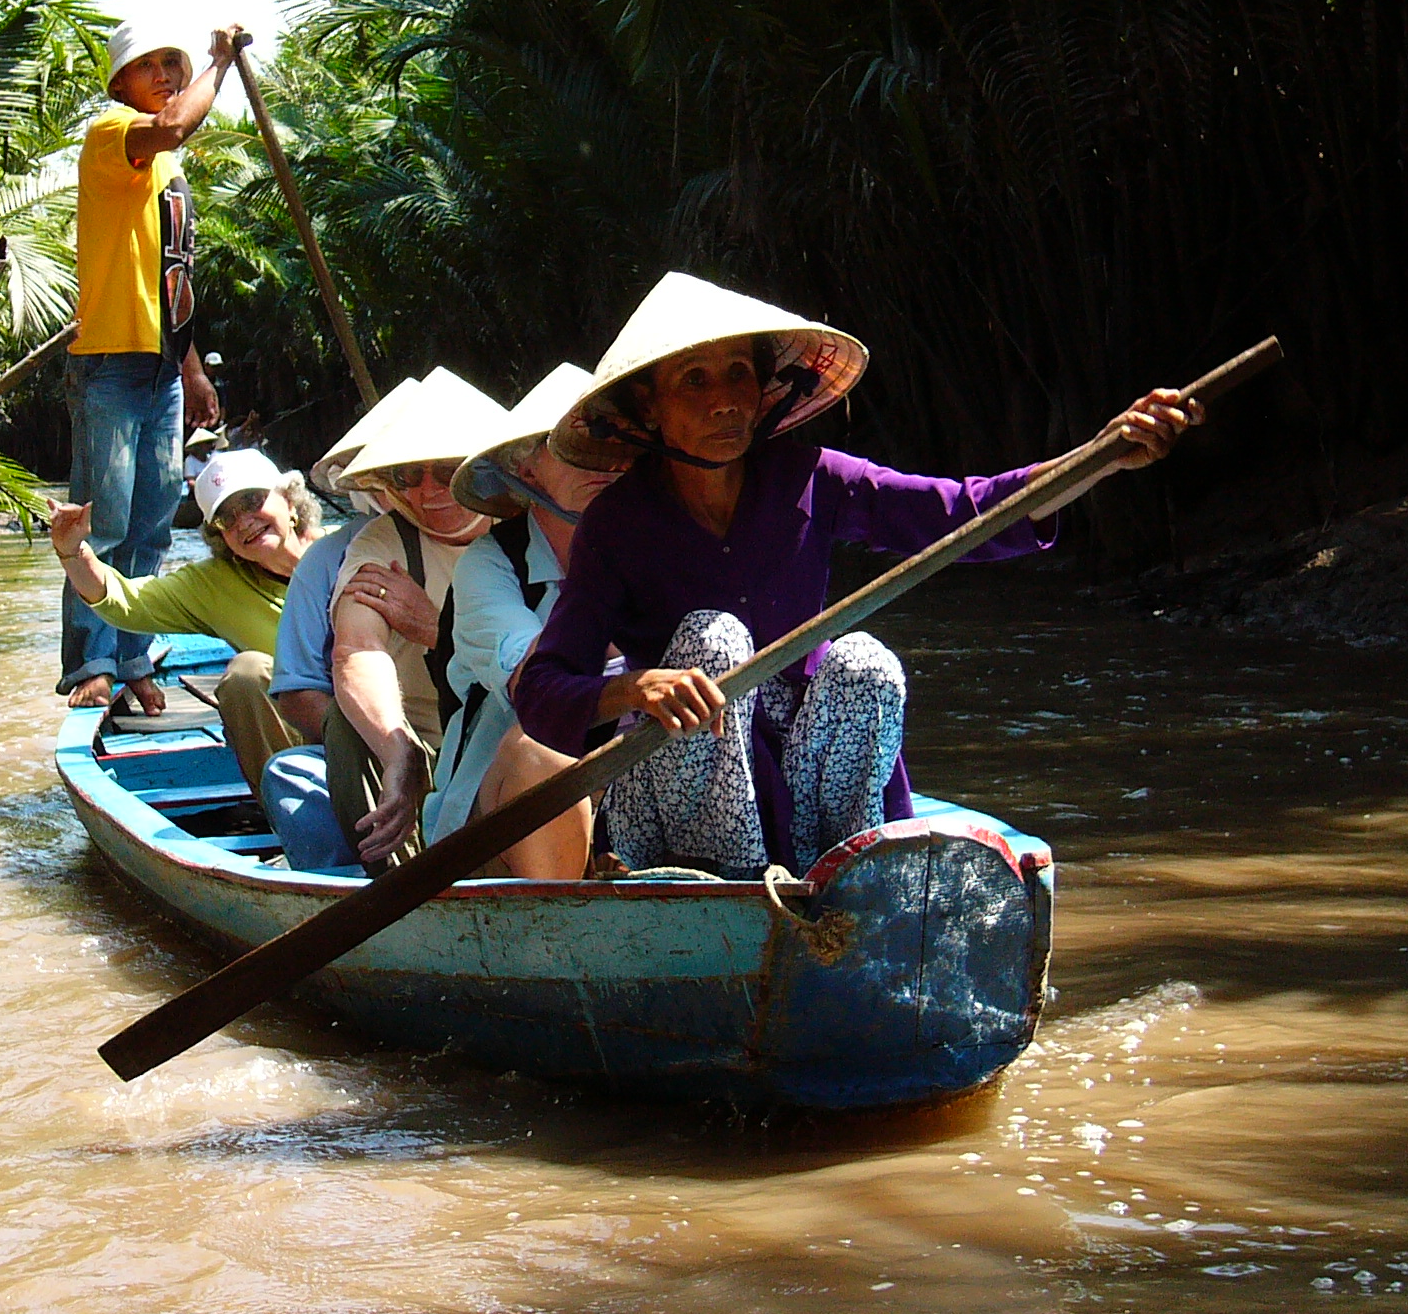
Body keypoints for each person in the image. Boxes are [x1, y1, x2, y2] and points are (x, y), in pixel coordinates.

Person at [514, 271, 1200, 877]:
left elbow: (963, 511)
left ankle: (846, 866)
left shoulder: (809, 476)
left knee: (864, 661)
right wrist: (634, 689)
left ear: (761, 392)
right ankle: (728, 879)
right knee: (713, 640)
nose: (723, 399)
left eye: (738, 375)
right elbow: (544, 691)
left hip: (799, 778)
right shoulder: (618, 523)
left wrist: (1103, 456)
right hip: (675, 795)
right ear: (648, 410)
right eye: (694, 380)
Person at [56, 22, 235, 713]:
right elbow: (174, 125)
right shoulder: (113, 135)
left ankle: (132, 654)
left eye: (175, 62)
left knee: (154, 520)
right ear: (120, 81)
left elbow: (170, 280)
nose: (164, 73)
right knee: (101, 521)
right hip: (106, 362)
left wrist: (191, 370)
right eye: (150, 64)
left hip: (159, 364)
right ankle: (91, 663)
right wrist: (216, 65)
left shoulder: (166, 172)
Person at [423, 364, 625, 877]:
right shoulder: (490, 566)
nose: (599, 459)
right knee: (538, 751)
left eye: (612, 439)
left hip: (625, 798)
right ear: (527, 470)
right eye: (572, 445)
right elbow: (541, 688)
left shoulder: (662, 545)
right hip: (489, 820)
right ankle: (556, 936)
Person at [325, 370, 509, 872]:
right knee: (346, 725)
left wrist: (435, 628)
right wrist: (398, 750)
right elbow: (357, 651)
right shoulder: (382, 544)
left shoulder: (528, 529)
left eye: (447, 469)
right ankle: (399, 878)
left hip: (516, 735)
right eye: (409, 474)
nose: (429, 490)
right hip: (427, 741)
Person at [49, 450, 322, 786]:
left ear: (290, 501)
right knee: (246, 673)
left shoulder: (350, 550)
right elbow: (126, 602)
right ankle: (296, 806)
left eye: (252, 500)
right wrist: (72, 551)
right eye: (227, 518)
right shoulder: (215, 584)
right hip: (305, 736)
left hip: (375, 720)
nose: (244, 521)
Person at [258, 376, 428, 871]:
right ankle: (352, 881)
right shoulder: (330, 559)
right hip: (379, 749)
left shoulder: (497, 539)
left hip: (472, 742)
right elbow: (300, 689)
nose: (425, 488)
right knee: (289, 775)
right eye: (403, 474)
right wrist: (378, 738)